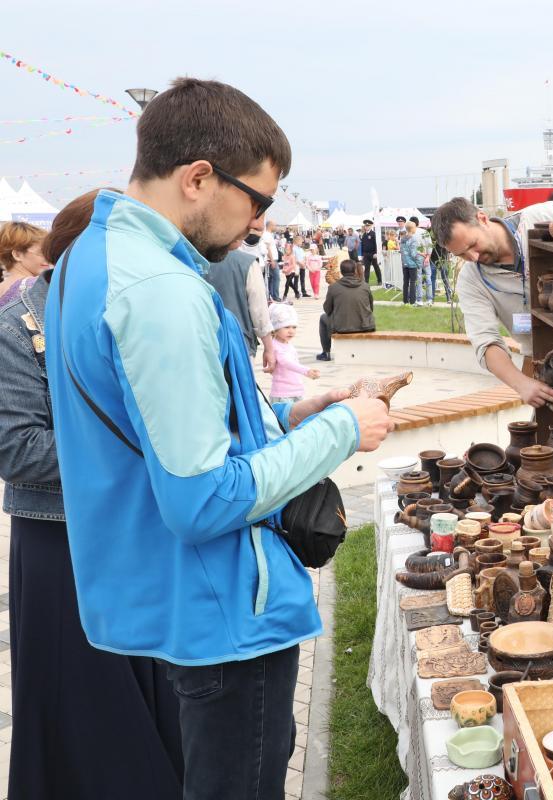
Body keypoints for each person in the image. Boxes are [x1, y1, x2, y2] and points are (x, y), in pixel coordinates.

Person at [44, 77, 394, 800]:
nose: (259, 225)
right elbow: (201, 498)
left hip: (174, 596)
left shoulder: (95, 257)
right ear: (199, 177)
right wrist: (341, 431)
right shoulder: (160, 291)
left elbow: (160, 430)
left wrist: (290, 416)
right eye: (258, 201)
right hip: (222, 610)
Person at [1, 188, 186, 799]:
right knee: (86, 716)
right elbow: (15, 448)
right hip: (61, 546)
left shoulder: (125, 308)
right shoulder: (17, 324)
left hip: (137, 534)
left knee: (153, 703)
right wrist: (143, 455)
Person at [432, 196, 553, 406]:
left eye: (473, 245)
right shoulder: (471, 280)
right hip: (543, 362)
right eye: (461, 255)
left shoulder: (544, 217)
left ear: (482, 218)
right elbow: (486, 341)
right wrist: (522, 384)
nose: (472, 257)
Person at [204, 239, 276, 372]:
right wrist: (269, 348)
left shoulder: (193, 260)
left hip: (203, 343)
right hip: (239, 343)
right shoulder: (246, 262)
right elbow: (259, 311)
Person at [318, 259, 376, 361]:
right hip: (366, 326)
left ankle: (326, 352)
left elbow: (327, 310)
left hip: (342, 327)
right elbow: (371, 308)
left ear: (341, 272)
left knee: (323, 318)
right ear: (354, 271)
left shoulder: (333, 287)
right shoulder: (365, 286)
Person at [267, 303, 319, 403]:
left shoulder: (288, 344)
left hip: (296, 390)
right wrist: (306, 371)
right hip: (283, 393)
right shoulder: (275, 345)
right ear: (275, 329)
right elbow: (286, 362)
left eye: (294, 327)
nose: (291, 331)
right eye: (286, 327)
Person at [0, 221, 50, 305]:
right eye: (41, 252)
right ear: (17, 254)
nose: (48, 257)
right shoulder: (34, 285)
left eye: (48, 252)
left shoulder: (2, 286)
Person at [400, 223, 421, 305]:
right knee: (413, 282)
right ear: (412, 229)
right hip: (412, 264)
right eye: (415, 227)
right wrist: (418, 263)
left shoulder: (402, 239)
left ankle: (405, 300)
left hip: (404, 263)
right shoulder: (413, 239)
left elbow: (402, 251)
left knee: (405, 282)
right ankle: (412, 301)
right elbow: (413, 254)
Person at [264, 220, 282, 301]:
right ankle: (275, 295)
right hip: (272, 260)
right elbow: (267, 248)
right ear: (270, 225)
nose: (276, 227)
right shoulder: (267, 235)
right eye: (275, 225)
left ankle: (272, 295)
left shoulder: (269, 235)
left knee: (271, 278)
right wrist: (272, 260)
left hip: (272, 259)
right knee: (276, 278)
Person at [360, 218, 380, 284]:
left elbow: (376, 244)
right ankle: (366, 282)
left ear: (371, 226)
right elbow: (362, 245)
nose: (367, 227)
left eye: (368, 226)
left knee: (376, 267)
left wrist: (376, 253)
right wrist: (362, 254)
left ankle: (379, 280)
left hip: (373, 254)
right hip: (366, 254)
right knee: (366, 268)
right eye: (366, 226)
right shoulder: (364, 235)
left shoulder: (373, 234)